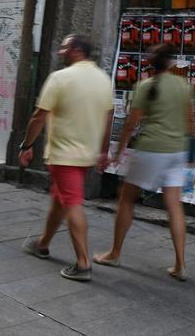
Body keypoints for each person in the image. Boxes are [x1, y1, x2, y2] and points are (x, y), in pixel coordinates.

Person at [94, 43, 195, 281]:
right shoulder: (184, 86)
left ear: (151, 65)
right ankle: (180, 264)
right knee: (174, 205)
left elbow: (131, 125)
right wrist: (190, 155)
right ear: (171, 63)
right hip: (177, 151)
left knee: (126, 198)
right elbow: (191, 123)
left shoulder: (145, 86)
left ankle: (115, 253)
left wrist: (118, 153)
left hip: (151, 149)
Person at [19, 34, 114, 282]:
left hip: (65, 154)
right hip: (87, 153)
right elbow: (108, 117)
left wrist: (26, 145)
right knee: (60, 199)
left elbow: (39, 116)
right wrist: (103, 150)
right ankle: (42, 243)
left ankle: (83, 263)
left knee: (72, 203)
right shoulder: (104, 79)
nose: (60, 52)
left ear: (76, 50)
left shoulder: (60, 78)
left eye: (64, 48)